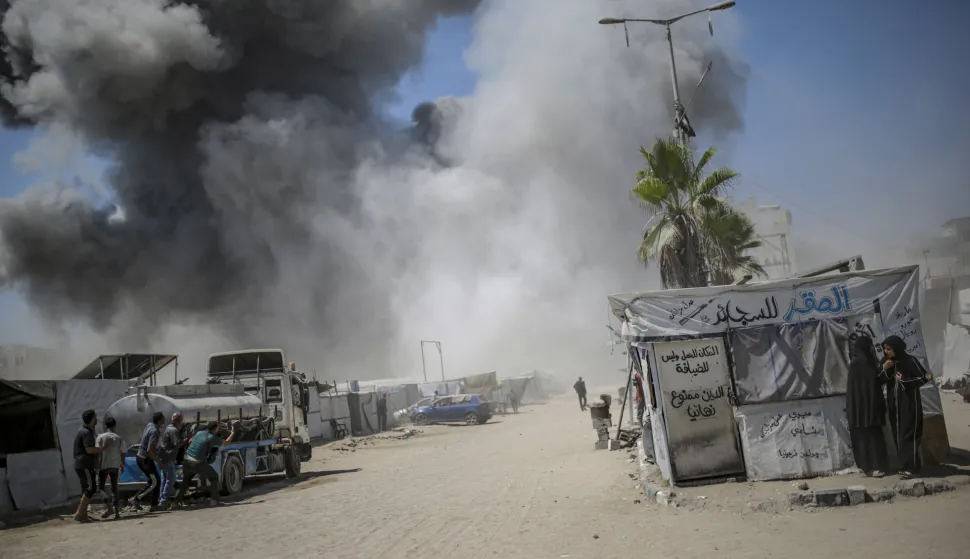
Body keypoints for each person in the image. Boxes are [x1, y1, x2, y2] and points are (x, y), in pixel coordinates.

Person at [880, 335, 931, 479]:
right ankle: (905, 466)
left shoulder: (910, 360)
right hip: (894, 406)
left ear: (897, 348)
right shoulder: (887, 362)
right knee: (898, 435)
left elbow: (925, 377)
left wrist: (904, 382)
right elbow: (879, 380)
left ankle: (913, 468)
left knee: (909, 436)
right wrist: (885, 369)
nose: (886, 352)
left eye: (889, 349)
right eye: (884, 349)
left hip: (909, 404)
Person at [846, 335, 888, 478]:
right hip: (870, 410)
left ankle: (865, 468)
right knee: (873, 438)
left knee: (861, 439)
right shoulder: (866, 363)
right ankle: (875, 467)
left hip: (858, 411)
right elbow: (875, 383)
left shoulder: (855, 363)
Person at [175, 421, 237, 507]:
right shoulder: (212, 437)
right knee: (214, 477)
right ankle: (214, 501)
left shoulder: (199, 433)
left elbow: (190, 441)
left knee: (185, 482)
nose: (218, 429)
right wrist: (233, 433)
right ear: (215, 429)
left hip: (186, 460)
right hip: (197, 463)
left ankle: (175, 502)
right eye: (218, 428)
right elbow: (226, 443)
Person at [73, 409, 103, 522]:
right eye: (95, 417)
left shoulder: (87, 431)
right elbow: (89, 449)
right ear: (91, 419)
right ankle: (80, 514)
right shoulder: (86, 432)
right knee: (91, 488)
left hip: (82, 464)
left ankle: (83, 514)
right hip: (84, 464)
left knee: (86, 489)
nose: (97, 419)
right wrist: (103, 449)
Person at [130, 411, 164, 511]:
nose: (164, 419)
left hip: (142, 457)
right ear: (160, 420)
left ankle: (154, 504)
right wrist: (159, 461)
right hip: (144, 459)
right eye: (163, 418)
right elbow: (149, 450)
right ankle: (135, 499)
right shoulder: (154, 431)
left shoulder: (150, 425)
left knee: (154, 480)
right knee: (155, 481)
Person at [96, 416, 126, 520]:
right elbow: (123, 452)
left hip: (103, 465)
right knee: (114, 488)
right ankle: (117, 513)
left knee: (100, 488)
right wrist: (122, 464)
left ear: (105, 425)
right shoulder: (118, 438)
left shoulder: (100, 437)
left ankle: (109, 508)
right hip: (115, 466)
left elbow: (98, 452)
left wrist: (97, 465)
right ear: (115, 425)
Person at [157, 412, 186, 510]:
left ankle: (161, 500)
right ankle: (164, 500)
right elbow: (177, 444)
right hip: (169, 459)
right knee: (172, 479)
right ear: (179, 421)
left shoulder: (168, 428)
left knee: (164, 480)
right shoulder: (173, 430)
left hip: (164, 458)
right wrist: (187, 439)